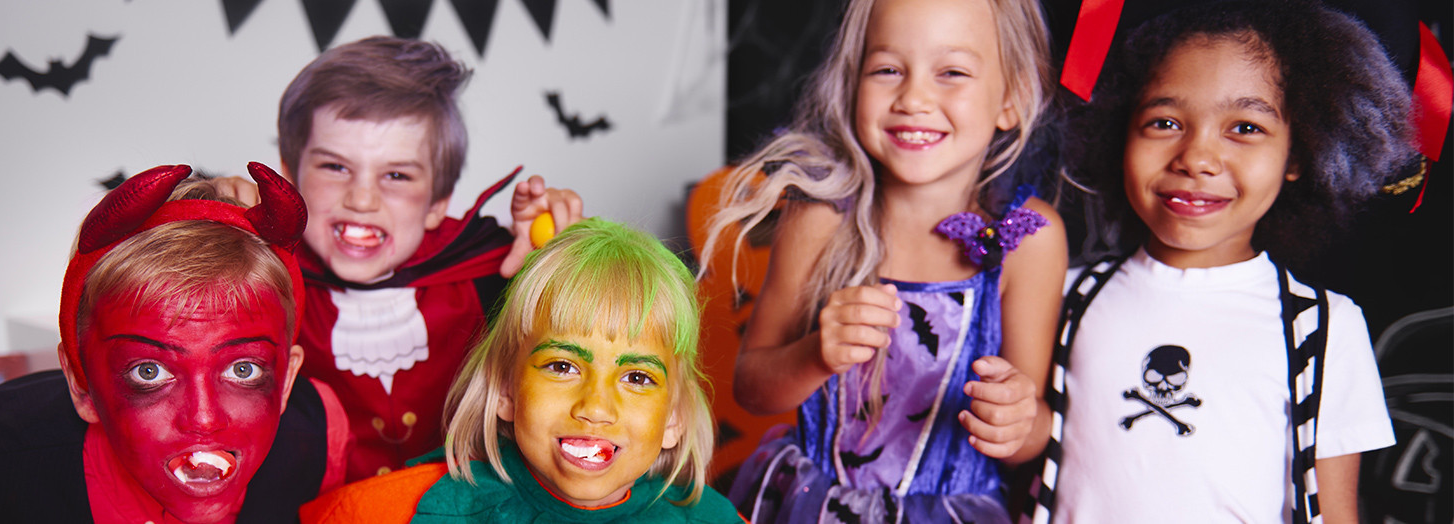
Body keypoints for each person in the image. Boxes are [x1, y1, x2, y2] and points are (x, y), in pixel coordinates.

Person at [1031, 1, 1411, 522]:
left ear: (1298, 154)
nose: (1197, 158)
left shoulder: (1323, 328)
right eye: (1164, 122)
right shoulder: (1062, 295)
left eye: (1245, 128)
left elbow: (1336, 512)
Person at [698, 0, 1066, 520]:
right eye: (888, 69)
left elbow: (1032, 433)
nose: (913, 98)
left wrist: (1016, 420)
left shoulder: (1029, 240)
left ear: (1013, 96)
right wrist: (816, 355)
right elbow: (752, 388)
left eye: (952, 72)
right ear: (852, 84)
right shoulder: (820, 220)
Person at [0, 163, 349, 523]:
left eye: (243, 369)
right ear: (81, 382)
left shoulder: (318, 434)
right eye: (149, 372)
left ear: (285, 379)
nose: (203, 419)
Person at [217, 35, 585, 480]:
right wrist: (209, 218)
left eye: (396, 175)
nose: (362, 199)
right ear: (290, 176)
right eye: (335, 167)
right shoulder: (266, 274)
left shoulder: (483, 269)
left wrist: (557, 254)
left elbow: (580, 351)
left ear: (436, 203)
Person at [298, 218, 744, 523]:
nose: (596, 407)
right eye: (563, 365)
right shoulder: (396, 510)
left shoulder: (712, 518)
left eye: (637, 377)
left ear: (674, 418)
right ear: (506, 390)